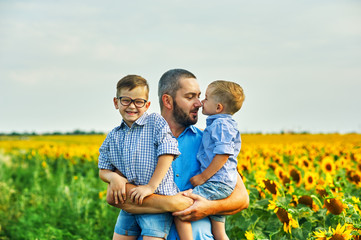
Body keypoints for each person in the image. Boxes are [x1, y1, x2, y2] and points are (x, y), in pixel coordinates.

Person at [106, 69, 249, 240]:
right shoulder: (135, 140)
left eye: (199, 96)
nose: (198, 103)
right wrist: (175, 203)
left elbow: (241, 198)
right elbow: (119, 198)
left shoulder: (209, 142)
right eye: (190, 97)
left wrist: (209, 208)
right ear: (167, 101)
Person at [98, 75, 191, 240]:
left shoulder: (155, 123)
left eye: (138, 101)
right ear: (116, 102)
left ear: (147, 105)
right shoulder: (113, 136)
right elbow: (103, 169)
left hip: (158, 200)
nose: (132, 106)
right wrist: (113, 177)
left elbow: (167, 153)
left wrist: (150, 186)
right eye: (126, 100)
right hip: (131, 203)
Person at [189, 80, 245, 240]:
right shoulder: (223, 124)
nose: (201, 103)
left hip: (216, 183)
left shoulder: (220, 125)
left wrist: (203, 177)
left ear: (219, 107)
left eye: (205, 98)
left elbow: (223, 154)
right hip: (222, 183)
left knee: (185, 204)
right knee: (218, 230)